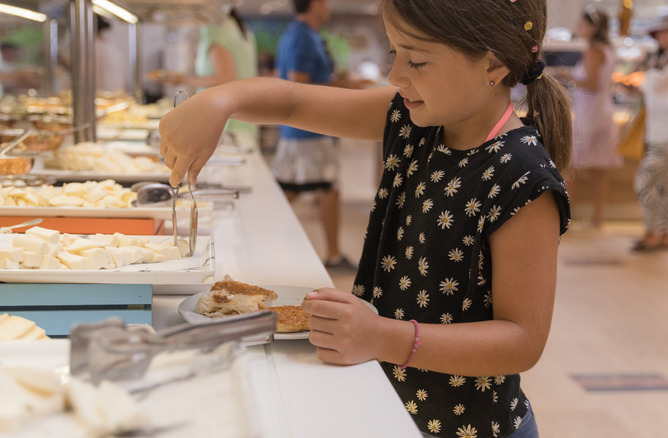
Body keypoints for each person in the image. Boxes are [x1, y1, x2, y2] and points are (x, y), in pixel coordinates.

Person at [158, 0, 572, 436]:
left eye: (417, 60)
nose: (396, 76)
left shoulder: (521, 176)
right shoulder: (415, 120)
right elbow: (295, 103)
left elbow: (522, 339)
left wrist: (380, 337)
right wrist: (219, 100)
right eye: (395, 54)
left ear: (494, 64)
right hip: (390, 407)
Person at [271, 0, 357, 272]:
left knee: (299, 187)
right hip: (308, 130)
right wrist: (344, 86)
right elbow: (299, 83)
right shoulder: (303, 37)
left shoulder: (297, 34)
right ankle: (333, 254)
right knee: (325, 187)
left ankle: (333, 253)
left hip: (303, 128)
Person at [154, 8, 259, 149]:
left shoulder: (215, 29)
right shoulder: (241, 28)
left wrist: (182, 80)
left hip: (227, 121)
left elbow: (226, 79)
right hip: (244, 118)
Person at [558, 6, 621, 229]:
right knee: (599, 171)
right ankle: (597, 219)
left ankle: (566, 218)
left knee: (571, 167)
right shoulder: (608, 49)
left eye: (582, 24)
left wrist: (569, 76)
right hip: (604, 112)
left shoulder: (593, 50)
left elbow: (592, 84)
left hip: (589, 116)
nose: (578, 28)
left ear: (593, 27)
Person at [632, 16, 668, 251]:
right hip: (657, 135)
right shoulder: (659, 62)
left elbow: (655, 86)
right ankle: (662, 233)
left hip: (663, 138)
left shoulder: (658, 66)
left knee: (643, 182)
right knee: (662, 187)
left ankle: (652, 231)